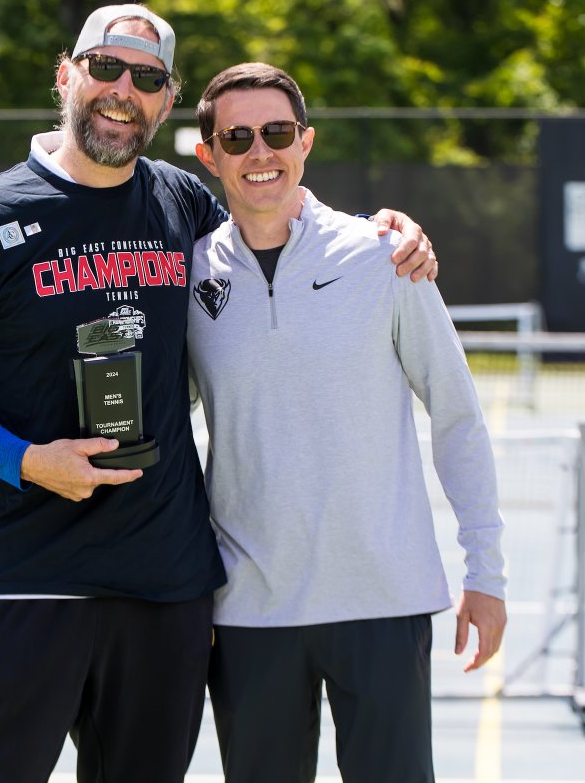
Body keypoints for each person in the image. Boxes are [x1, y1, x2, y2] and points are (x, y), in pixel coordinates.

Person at [0, 4, 437, 783]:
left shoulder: (182, 204)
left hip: (164, 590)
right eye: (105, 68)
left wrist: (383, 231)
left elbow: (275, 214)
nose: (122, 91)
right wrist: (27, 460)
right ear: (66, 75)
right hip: (20, 577)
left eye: (146, 79)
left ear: (166, 100)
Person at [186, 62, 507, 783]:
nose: (259, 152)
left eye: (276, 132)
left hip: (384, 603)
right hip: (248, 614)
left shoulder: (383, 258)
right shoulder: (190, 278)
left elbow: (458, 417)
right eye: (237, 137)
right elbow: (163, 430)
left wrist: (486, 572)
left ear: (306, 142)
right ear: (208, 155)